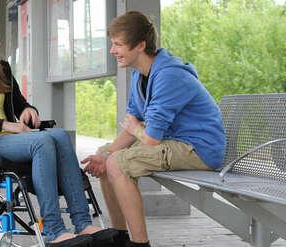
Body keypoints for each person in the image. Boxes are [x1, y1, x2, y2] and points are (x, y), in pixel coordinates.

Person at [0, 9, 116, 247]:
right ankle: (54, 230)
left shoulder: (0, 67)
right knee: (42, 141)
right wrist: (3, 124)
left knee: (60, 136)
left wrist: (27, 110)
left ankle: (83, 222)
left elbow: (19, 103)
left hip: (8, 139)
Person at [81, 11, 226, 247]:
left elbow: (148, 137)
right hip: (171, 141)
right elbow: (134, 127)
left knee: (119, 163)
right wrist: (105, 153)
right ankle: (119, 236)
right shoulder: (140, 75)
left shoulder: (169, 75)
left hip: (198, 148)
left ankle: (140, 244)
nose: (112, 50)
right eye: (112, 44)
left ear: (140, 45)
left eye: (118, 44)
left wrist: (136, 130)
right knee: (105, 155)